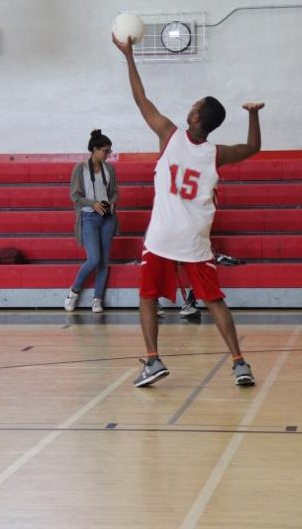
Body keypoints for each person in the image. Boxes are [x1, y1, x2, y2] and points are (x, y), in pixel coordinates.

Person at [113, 33, 264, 387]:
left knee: (148, 298)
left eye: (194, 104)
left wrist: (129, 55)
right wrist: (253, 115)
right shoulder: (217, 154)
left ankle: (152, 360)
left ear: (196, 114)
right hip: (196, 239)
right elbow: (254, 147)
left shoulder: (169, 135)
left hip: (163, 235)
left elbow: (140, 98)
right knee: (215, 301)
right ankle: (240, 363)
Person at [64, 129, 118, 314]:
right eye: (105, 151)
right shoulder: (80, 168)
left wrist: (112, 202)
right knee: (94, 259)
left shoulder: (109, 169)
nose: (108, 155)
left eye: (109, 151)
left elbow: (115, 192)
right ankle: (74, 292)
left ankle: (98, 299)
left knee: (103, 261)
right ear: (94, 149)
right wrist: (93, 203)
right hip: (88, 217)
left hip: (107, 217)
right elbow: (75, 196)